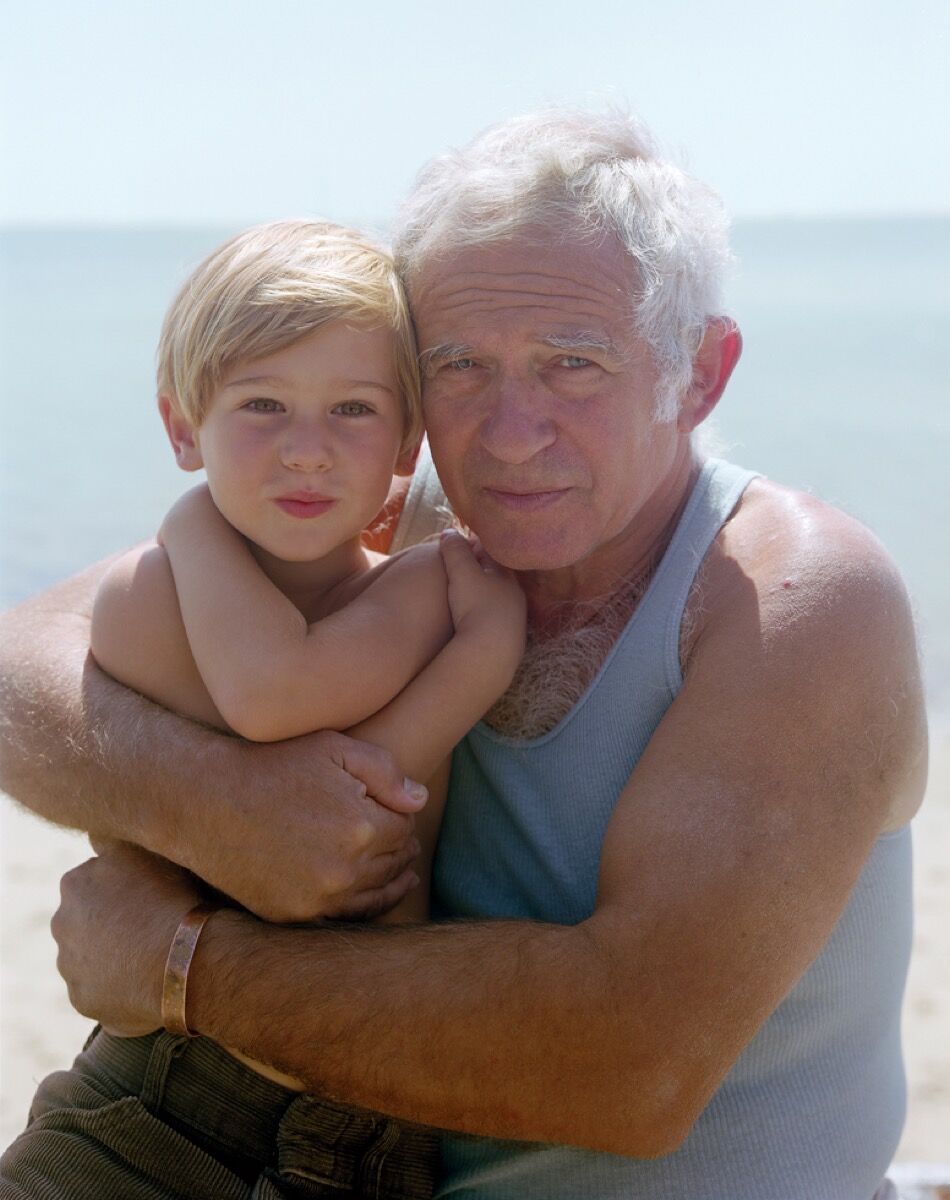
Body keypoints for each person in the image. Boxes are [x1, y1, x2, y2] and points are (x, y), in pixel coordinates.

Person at [0, 109, 927, 1200]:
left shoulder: (797, 599)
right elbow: (31, 658)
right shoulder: (414, 513)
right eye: (458, 366)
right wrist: (215, 802)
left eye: (571, 364)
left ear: (700, 374)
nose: (506, 431)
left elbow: (630, 1068)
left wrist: (182, 966)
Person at [0, 217, 525, 1199]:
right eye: (263, 405)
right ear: (181, 429)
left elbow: (352, 803)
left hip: (369, 1117)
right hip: (160, 1096)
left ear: (407, 439)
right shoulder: (147, 593)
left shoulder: (408, 588)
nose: (308, 452)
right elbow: (281, 708)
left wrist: (467, 651)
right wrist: (484, 650)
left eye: (353, 411)